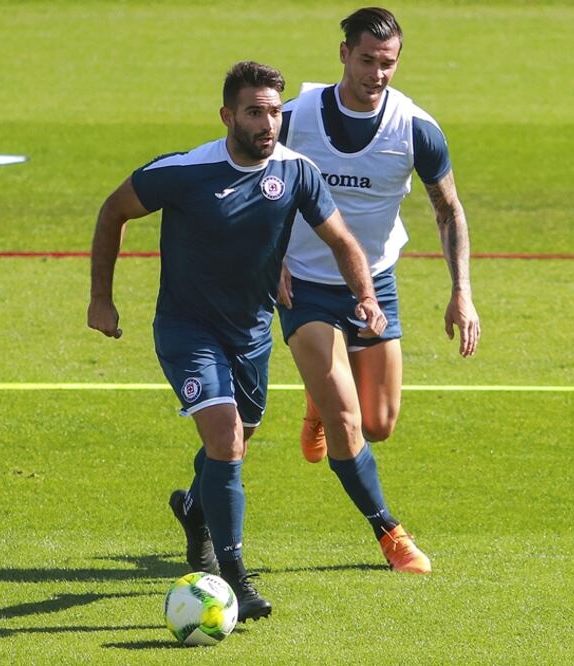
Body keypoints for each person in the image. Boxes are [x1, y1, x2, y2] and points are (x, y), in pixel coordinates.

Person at [87, 61, 386, 622]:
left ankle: (196, 508)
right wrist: (101, 298)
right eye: (255, 112)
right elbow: (113, 211)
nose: (267, 123)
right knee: (226, 441)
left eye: (274, 111)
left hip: (250, 332)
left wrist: (365, 297)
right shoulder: (184, 171)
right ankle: (235, 578)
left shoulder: (297, 172)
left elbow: (342, 239)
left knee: (237, 442)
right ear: (228, 115)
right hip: (186, 329)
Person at [275, 7, 482, 574]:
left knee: (378, 424)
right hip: (306, 286)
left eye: (387, 63)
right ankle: (389, 532)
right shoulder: (294, 119)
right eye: (366, 59)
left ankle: (316, 398)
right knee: (347, 422)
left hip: (375, 285)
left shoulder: (416, 130)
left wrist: (460, 291)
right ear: (343, 54)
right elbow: (246, 187)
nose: (376, 73)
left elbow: (448, 211)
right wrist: (268, 262)